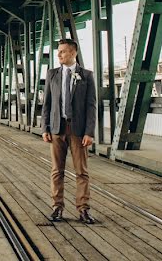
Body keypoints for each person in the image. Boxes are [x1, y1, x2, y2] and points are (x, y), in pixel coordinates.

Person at [41, 38, 96, 224]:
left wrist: (90, 132)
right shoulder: (52, 74)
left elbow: (91, 106)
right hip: (57, 128)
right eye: (59, 51)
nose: (59, 55)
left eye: (63, 51)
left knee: (82, 171)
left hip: (78, 130)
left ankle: (83, 210)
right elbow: (46, 104)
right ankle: (57, 207)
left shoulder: (86, 75)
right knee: (57, 170)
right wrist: (45, 128)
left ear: (73, 53)